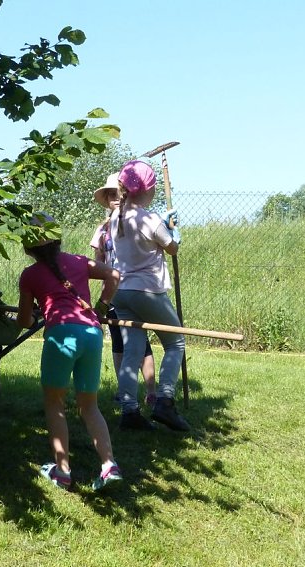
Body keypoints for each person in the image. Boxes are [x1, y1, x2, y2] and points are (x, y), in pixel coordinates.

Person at [16, 213, 123, 491]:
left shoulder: (29, 275)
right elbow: (114, 274)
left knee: (55, 402)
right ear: (58, 239)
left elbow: (24, 321)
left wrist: (37, 310)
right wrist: (100, 308)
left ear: (28, 247)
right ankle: (109, 466)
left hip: (61, 334)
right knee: (89, 405)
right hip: (92, 334)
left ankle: (62, 471)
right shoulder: (78, 261)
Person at [110, 160, 190, 432]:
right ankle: (165, 402)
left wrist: (164, 226)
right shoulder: (149, 218)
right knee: (175, 342)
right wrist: (173, 230)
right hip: (147, 290)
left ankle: (129, 411)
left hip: (121, 291)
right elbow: (172, 248)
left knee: (132, 351)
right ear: (148, 190)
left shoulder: (116, 217)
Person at [91, 172, 157, 408]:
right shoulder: (103, 228)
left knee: (141, 341)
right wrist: (104, 294)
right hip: (114, 292)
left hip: (136, 286)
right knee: (119, 341)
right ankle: (124, 390)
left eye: (118, 193)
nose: (115, 198)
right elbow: (98, 260)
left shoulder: (135, 222)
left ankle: (151, 391)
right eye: (110, 195)